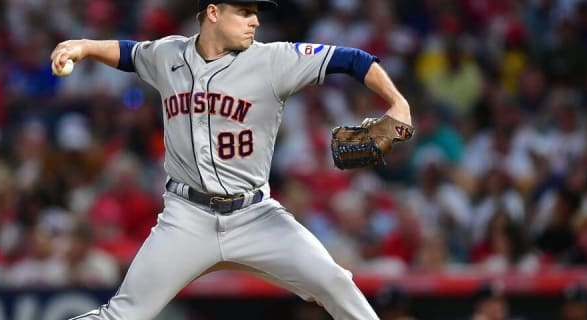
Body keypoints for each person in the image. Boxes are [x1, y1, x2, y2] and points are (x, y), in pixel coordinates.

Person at [50, 0, 412, 319]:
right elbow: (129, 53)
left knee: (334, 283)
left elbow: (353, 60)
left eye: (255, 13)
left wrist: (398, 103)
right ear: (213, 12)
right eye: (243, 11)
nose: (254, 21)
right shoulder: (168, 54)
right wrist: (84, 46)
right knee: (124, 314)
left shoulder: (274, 59)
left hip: (255, 216)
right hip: (186, 218)